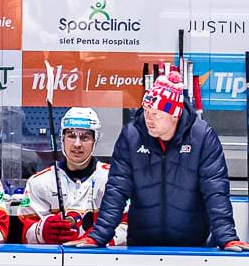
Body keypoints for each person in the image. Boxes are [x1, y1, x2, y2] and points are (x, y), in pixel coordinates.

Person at [85, 64, 247, 250]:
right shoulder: (131, 136)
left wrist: (227, 238)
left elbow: (215, 191)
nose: (148, 119)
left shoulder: (202, 137)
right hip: (142, 247)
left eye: (156, 114)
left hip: (195, 247)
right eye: (146, 111)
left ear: (174, 115)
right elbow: (117, 190)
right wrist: (98, 237)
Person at [19, 105, 117, 243]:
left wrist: (104, 237)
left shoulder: (113, 179)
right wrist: (42, 231)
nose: (77, 144)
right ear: (62, 138)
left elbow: (127, 227)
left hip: (100, 256)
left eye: (85, 137)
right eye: (71, 136)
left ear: (95, 140)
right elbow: (25, 233)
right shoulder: (38, 182)